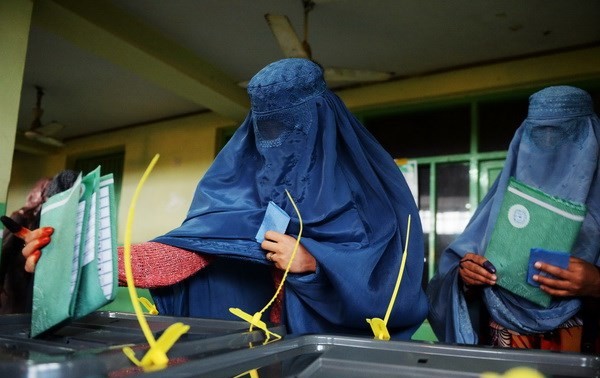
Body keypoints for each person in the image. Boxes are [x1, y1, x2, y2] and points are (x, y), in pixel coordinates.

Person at [22, 58, 428, 339]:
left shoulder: (375, 195)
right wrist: (80, 254)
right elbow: (185, 254)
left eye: (290, 126)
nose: (277, 143)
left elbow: (395, 292)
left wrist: (314, 267)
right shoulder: (235, 185)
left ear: (322, 117)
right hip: (252, 355)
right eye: (265, 129)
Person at [427, 85, 600, 353]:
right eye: (539, 136)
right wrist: (467, 277)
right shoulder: (499, 204)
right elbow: (450, 279)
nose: (550, 147)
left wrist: (596, 283)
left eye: (566, 134)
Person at [1, 170, 79, 314]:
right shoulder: (20, 217)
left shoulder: (48, 218)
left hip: (33, 279)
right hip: (16, 282)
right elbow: (5, 253)